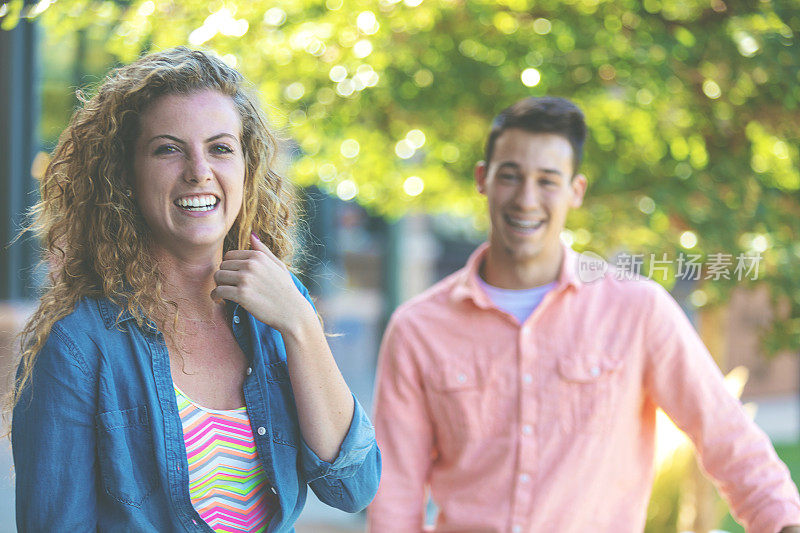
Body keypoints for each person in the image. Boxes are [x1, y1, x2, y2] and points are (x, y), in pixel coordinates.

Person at [368, 96, 800, 532]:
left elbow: (727, 437)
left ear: (576, 191)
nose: (526, 199)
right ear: (483, 179)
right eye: (511, 176)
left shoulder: (637, 310)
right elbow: (394, 494)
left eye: (548, 180)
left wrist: (782, 522)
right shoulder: (417, 329)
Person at [10, 47, 380, 532]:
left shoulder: (279, 309)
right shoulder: (78, 345)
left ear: (247, 168)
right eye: (168, 148)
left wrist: (302, 325)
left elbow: (352, 487)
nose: (199, 170)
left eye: (221, 148)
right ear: (125, 174)